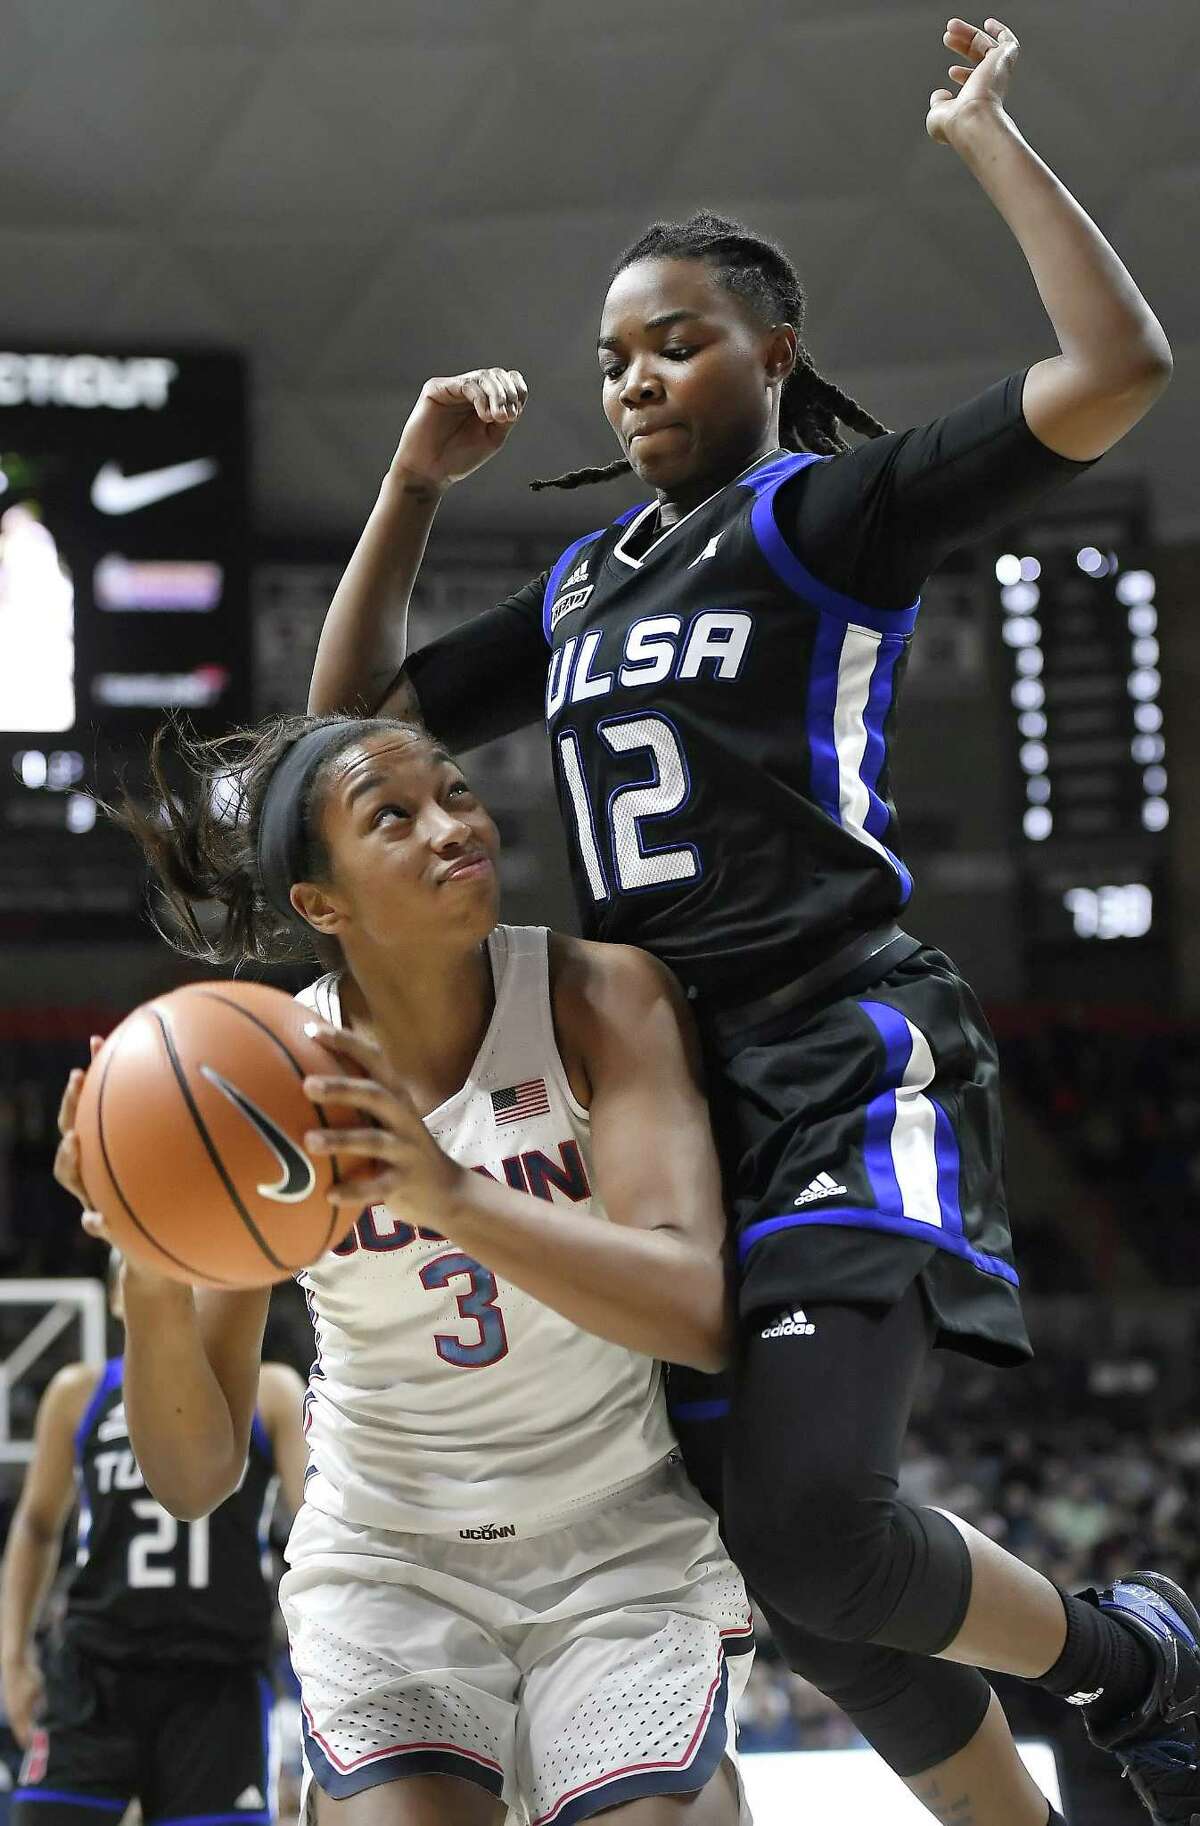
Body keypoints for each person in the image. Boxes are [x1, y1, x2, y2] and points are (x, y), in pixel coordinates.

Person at [305, 16, 1200, 1826]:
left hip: (837, 1039)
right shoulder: (575, 583)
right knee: (793, 1570)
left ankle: (1139, 1660)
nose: (633, 380)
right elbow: (347, 734)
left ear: (772, 354)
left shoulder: (825, 511)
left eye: (677, 342)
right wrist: (410, 490)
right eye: (614, 359)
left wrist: (984, 143)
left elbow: (1118, 367)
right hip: (663, 1091)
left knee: (812, 1524)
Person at [52, 711, 756, 1826]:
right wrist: (148, 1269)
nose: (451, 824)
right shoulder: (271, 1080)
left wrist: (456, 1197)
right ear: (321, 905)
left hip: (619, 1541)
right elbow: (193, 1477)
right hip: (389, 1559)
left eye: (457, 792)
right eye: (396, 815)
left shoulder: (599, 994)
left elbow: (702, 1308)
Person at [0, 1247, 306, 1826]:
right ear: (122, 1295)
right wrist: (11, 1656)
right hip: (97, 1670)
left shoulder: (271, 1393)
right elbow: (37, 1526)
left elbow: (315, 1522)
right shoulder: (79, 1394)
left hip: (219, 1677)